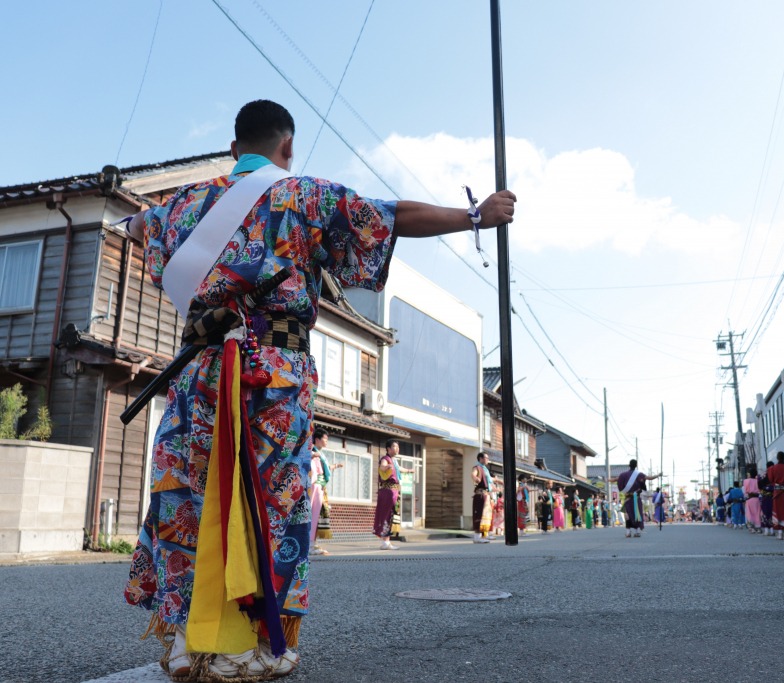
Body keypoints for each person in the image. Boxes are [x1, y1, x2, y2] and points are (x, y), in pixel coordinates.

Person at [123, 99, 517, 679]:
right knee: (273, 500)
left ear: (234, 149)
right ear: (287, 147)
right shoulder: (304, 196)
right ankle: (259, 644)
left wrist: (148, 228)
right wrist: (475, 216)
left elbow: (138, 227)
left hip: (198, 372)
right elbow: (392, 216)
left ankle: (186, 643)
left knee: (188, 494)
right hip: (272, 373)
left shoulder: (183, 203)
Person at [375, 440, 411, 551]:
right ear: (388, 449)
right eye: (395, 446)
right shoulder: (385, 459)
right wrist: (386, 467)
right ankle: (385, 542)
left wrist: (409, 470)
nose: (397, 448)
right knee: (387, 515)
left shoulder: (394, 461)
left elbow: (399, 469)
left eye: (398, 447)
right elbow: (382, 467)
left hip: (393, 491)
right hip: (388, 491)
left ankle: (387, 541)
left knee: (391, 515)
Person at [309, 428, 340, 556]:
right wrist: (312, 454)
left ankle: (313, 542)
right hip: (315, 485)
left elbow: (324, 468)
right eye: (325, 439)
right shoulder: (311, 450)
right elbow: (305, 458)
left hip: (320, 486)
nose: (326, 441)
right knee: (312, 514)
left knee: (317, 515)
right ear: (317, 439)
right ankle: (309, 544)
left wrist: (335, 466)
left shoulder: (320, 454)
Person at [617, 459, 648, 538]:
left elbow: (620, 485)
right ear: (636, 465)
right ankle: (637, 531)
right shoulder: (640, 475)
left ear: (629, 465)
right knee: (637, 514)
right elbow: (643, 486)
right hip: (637, 499)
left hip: (628, 499)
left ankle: (628, 532)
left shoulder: (623, 475)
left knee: (628, 514)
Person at [471, 452, 495, 543]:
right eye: (486, 458)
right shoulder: (477, 467)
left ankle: (483, 536)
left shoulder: (485, 469)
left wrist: (499, 481)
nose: (488, 459)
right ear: (481, 458)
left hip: (485, 494)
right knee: (479, 515)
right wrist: (475, 478)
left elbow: (489, 480)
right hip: (480, 494)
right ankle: (477, 537)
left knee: (485, 515)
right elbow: (473, 474)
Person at [741, 467, 761, 534]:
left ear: (750, 474)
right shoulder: (757, 480)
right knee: (757, 513)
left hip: (749, 499)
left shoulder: (746, 481)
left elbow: (745, 491)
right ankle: (758, 527)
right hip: (757, 499)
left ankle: (752, 528)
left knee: (749, 513)